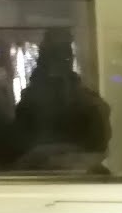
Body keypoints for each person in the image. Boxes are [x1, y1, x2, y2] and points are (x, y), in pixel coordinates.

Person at [9, 27, 111, 174]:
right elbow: (19, 142)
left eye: (66, 55)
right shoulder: (32, 95)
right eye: (55, 54)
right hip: (37, 171)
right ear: (44, 57)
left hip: (81, 168)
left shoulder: (84, 96)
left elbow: (100, 141)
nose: (61, 61)